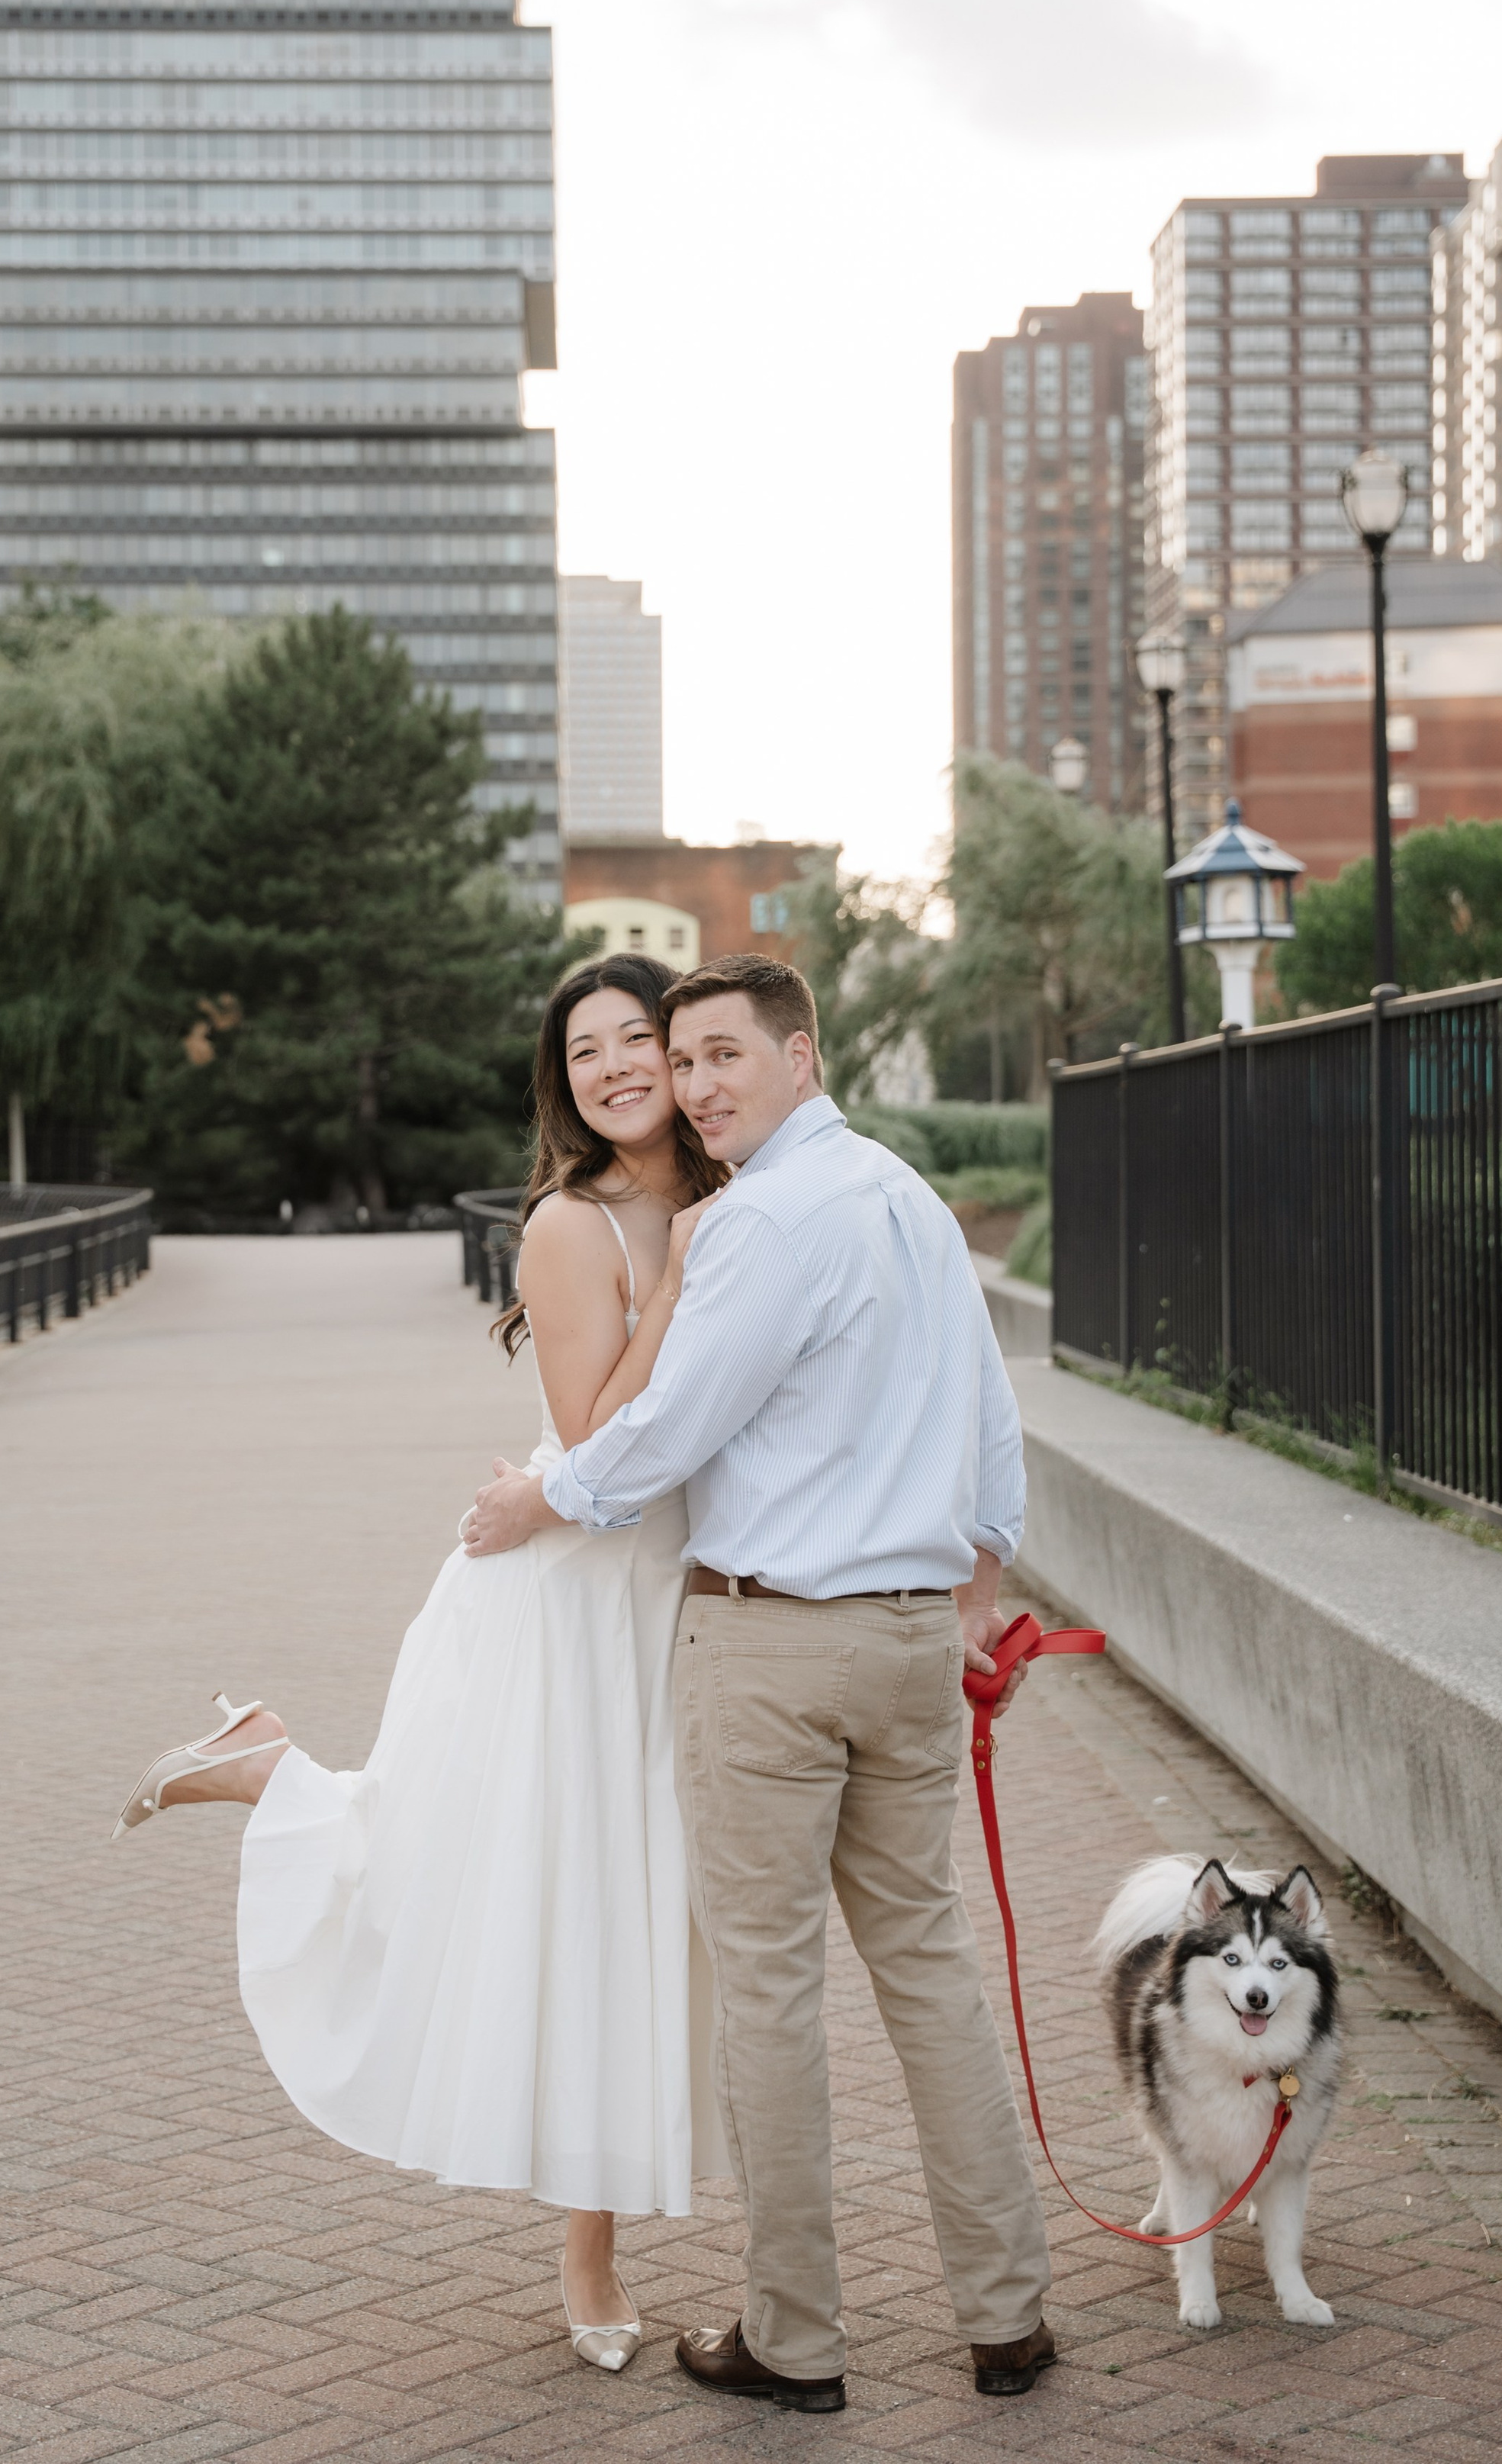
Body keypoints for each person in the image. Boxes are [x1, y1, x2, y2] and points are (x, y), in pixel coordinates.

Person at [111, 953, 728, 2371]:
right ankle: (272, 1778)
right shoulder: (577, 1226)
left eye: (642, 1039)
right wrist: (685, 1289)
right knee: (537, 1900)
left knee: (634, 1912)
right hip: (568, 1599)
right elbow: (594, 1426)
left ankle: (269, 1757)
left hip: (670, 1597)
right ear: (562, 1085)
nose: (621, 1068)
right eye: (588, 1054)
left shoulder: (725, 1198)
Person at [462, 951, 1053, 2414]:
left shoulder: (765, 1221)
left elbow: (670, 1424)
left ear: (802, 1055)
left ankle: (795, 2339)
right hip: (914, 1639)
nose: (704, 1084)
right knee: (930, 1978)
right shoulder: (912, 1198)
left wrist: (554, 1499)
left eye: (728, 1056)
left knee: (775, 1999)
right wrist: (980, 1581)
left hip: (774, 1643)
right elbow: (992, 1408)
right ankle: (1009, 2318)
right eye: (691, 1059)